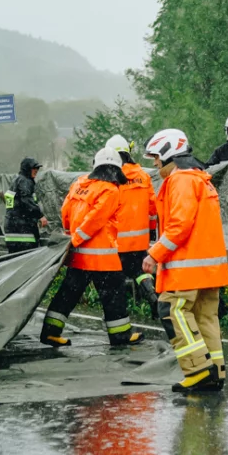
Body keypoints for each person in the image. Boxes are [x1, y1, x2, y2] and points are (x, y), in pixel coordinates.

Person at [143, 129, 228, 393]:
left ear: (169, 153)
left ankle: (197, 370)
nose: (155, 163)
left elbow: (179, 225)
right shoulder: (201, 179)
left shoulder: (180, 180)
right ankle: (215, 371)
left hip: (187, 269)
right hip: (209, 269)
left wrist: (154, 254)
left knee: (171, 310)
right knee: (205, 317)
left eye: (157, 157)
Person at [40, 147, 146, 347]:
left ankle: (50, 332)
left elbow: (65, 211)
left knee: (68, 293)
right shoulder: (110, 190)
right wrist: (78, 238)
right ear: (115, 169)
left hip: (78, 256)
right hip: (102, 257)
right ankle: (120, 335)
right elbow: (96, 219)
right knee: (114, 295)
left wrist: (71, 237)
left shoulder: (79, 183)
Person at [105, 134, 160, 319]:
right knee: (139, 271)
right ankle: (153, 298)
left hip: (118, 240)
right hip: (140, 239)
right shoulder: (143, 176)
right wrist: (151, 231)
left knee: (116, 278)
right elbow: (153, 207)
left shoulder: (112, 177)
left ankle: (119, 315)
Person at [4, 157, 48, 253]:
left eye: (37, 168)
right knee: (28, 260)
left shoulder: (15, 181)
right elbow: (27, 200)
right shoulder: (25, 181)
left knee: (14, 260)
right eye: (34, 168)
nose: (36, 171)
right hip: (23, 230)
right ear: (27, 169)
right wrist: (40, 216)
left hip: (11, 229)